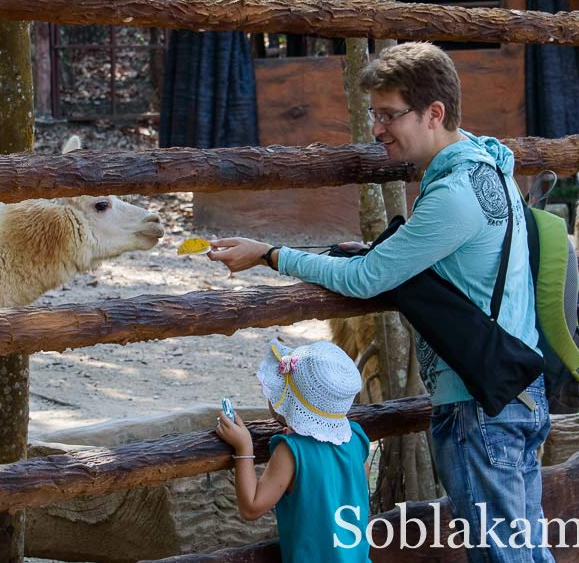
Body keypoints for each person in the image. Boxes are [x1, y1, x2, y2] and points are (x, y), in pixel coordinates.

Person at [208, 42, 554, 562]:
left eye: (390, 115)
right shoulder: (492, 164)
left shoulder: (454, 192)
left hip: (477, 409)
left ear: (434, 113)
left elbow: (367, 278)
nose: (377, 128)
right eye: (375, 114)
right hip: (520, 392)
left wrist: (271, 254)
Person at [215, 339, 371, 562]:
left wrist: (244, 446)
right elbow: (356, 482)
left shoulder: (291, 451)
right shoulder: (356, 439)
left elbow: (251, 507)